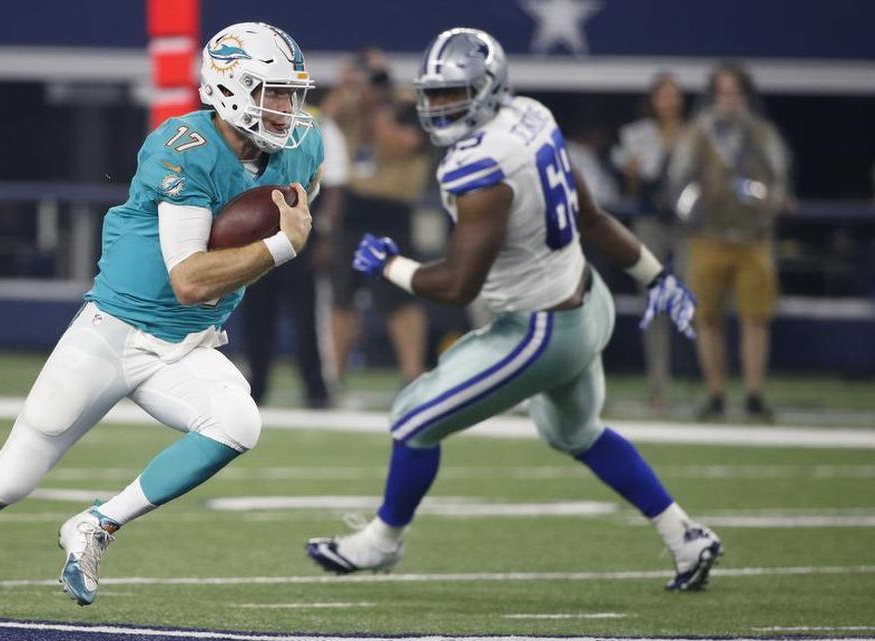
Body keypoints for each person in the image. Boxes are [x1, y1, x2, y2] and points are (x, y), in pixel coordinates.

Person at [0, 22, 321, 641]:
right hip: (113, 333)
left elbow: (260, 234)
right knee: (9, 480)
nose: (287, 108)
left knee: (239, 422)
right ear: (229, 88)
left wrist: (269, 242)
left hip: (186, 345)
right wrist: (281, 247)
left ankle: (97, 524)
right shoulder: (183, 147)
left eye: (292, 93)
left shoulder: (303, 150)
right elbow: (189, 279)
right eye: (274, 92)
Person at [305, 28, 722, 592]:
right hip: (585, 299)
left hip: (539, 329)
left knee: (412, 419)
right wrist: (656, 275)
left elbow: (458, 285)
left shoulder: (481, 165)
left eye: (454, 93)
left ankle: (383, 541)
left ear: (489, 88)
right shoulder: (532, 117)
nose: (439, 106)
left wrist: (390, 266)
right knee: (576, 432)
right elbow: (592, 217)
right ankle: (684, 534)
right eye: (433, 93)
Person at [666, 63, 789, 421]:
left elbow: (778, 179)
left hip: (753, 238)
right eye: (723, 92)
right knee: (707, 318)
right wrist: (692, 216)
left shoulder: (761, 132)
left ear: (746, 96)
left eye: (735, 92)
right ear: (712, 96)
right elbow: (679, 180)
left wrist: (765, 210)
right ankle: (715, 394)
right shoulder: (697, 133)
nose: (729, 100)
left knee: (756, 317)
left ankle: (753, 394)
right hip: (708, 237)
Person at [323, 48, 430, 384]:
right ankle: (335, 375)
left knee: (398, 296)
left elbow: (403, 145)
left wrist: (380, 108)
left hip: (391, 211)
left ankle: (412, 371)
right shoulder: (352, 104)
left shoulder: (406, 106)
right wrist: (345, 86)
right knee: (343, 297)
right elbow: (324, 123)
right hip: (354, 208)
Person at [240, 109, 344, 409]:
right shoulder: (250, 120)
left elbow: (333, 184)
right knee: (257, 314)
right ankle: (257, 384)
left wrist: (326, 236)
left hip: (302, 233)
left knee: (306, 315)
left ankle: (316, 386)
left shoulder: (318, 125)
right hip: (259, 232)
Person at [612, 73, 688, 410]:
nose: (668, 102)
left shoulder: (694, 134)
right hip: (650, 219)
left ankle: (710, 385)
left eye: (673, 95)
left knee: (695, 297)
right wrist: (630, 172)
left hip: (687, 224)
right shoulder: (639, 134)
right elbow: (631, 190)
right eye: (662, 95)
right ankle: (659, 385)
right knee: (654, 301)